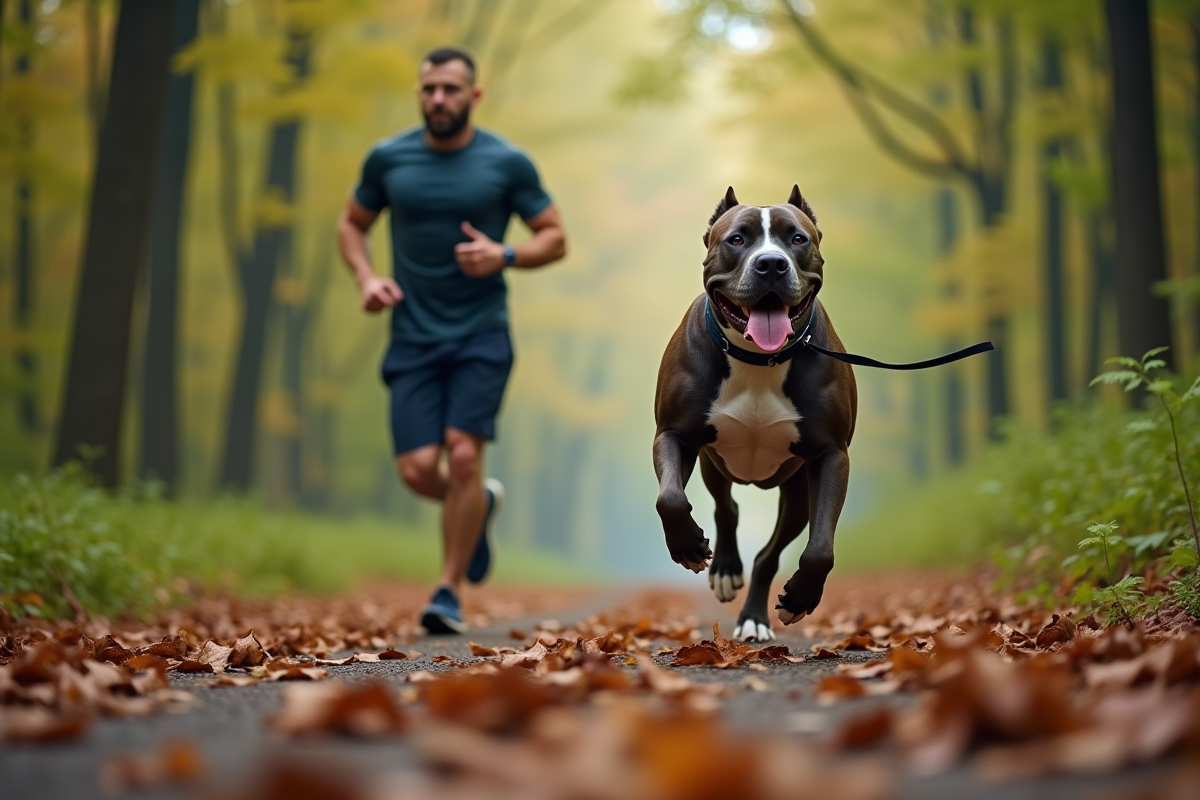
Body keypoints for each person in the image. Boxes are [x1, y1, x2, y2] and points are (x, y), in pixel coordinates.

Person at [336, 46, 567, 634]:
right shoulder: (388, 159)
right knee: (418, 471)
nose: (438, 99)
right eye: (429, 88)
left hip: (480, 334)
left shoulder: (505, 163)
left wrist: (504, 254)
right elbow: (352, 225)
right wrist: (367, 277)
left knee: (463, 455)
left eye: (450, 89)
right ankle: (480, 506)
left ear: (474, 96)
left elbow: (555, 237)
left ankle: (447, 590)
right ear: (420, 93)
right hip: (412, 336)